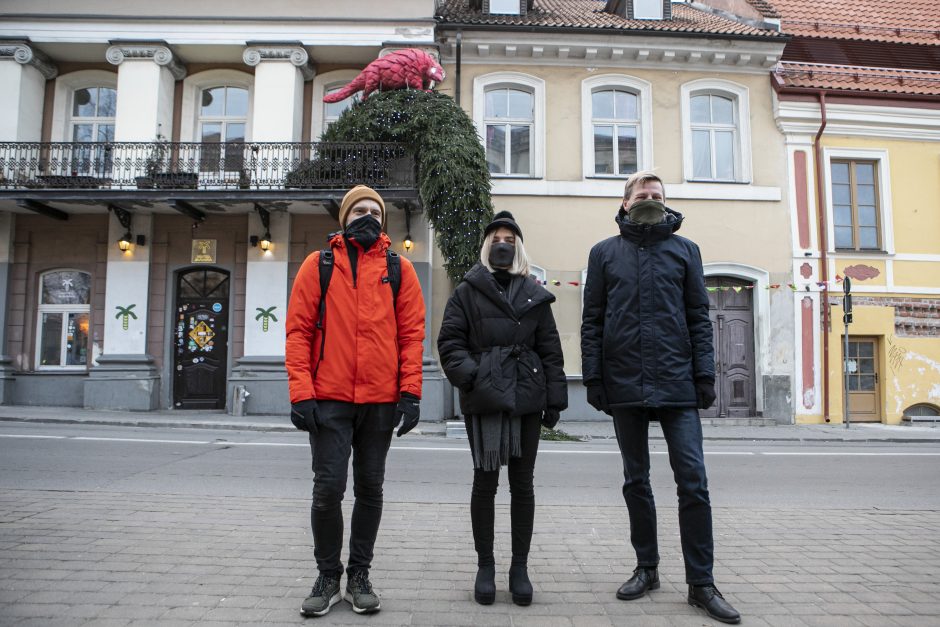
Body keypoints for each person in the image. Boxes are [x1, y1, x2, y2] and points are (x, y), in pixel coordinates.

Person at [580, 171, 740, 624]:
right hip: (624, 379)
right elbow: (592, 319)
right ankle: (646, 568)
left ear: (666, 202)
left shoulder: (686, 251)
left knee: (694, 480)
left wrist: (705, 376)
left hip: (677, 382)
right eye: (642, 194)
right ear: (625, 202)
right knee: (636, 480)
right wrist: (594, 377)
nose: (650, 200)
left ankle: (701, 583)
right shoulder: (604, 253)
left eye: (657, 195)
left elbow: (698, 318)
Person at [286, 185, 426, 617]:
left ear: (383, 220)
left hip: (381, 401)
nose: (367, 216)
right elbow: (298, 332)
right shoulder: (318, 265)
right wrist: (301, 393)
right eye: (358, 210)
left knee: (370, 488)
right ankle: (328, 576)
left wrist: (411, 392)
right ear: (344, 217)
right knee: (328, 489)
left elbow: (412, 334)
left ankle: (359, 575)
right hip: (328, 400)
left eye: (374, 211)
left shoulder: (399, 268)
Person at [437, 211, 567, 607]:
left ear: (519, 246)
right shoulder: (466, 291)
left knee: (523, 485)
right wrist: (477, 375)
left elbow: (550, 349)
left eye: (510, 237)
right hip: (486, 398)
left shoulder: (535, 293)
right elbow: (450, 344)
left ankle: (519, 568)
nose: (503, 243)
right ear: (487, 244)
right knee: (485, 483)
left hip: (526, 396)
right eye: (496, 236)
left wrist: (555, 397)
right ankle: (486, 566)